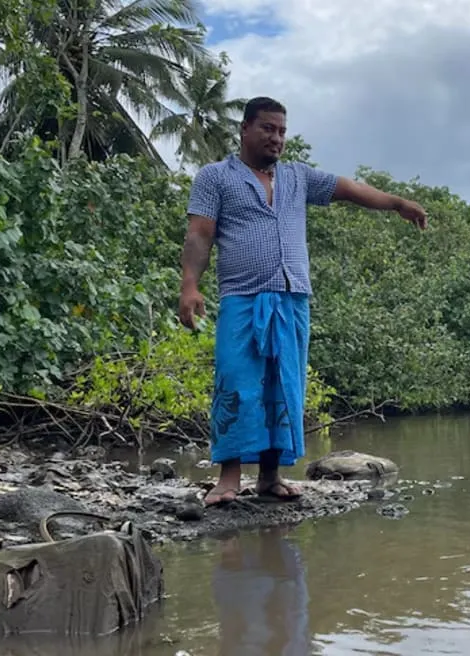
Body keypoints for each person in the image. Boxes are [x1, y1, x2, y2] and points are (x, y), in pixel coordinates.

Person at [178, 96, 428, 507]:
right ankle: (228, 479)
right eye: (267, 129)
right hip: (243, 298)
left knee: (283, 389)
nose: (276, 138)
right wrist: (190, 286)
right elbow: (200, 235)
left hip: (293, 300)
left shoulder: (298, 177)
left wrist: (397, 203)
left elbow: (350, 189)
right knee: (237, 385)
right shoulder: (215, 177)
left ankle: (271, 477)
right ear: (244, 129)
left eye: (281, 131)